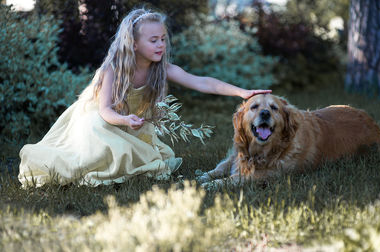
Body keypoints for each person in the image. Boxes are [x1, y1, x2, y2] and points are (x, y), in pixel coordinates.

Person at [18, 8, 272, 187]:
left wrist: (241, 92)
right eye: (153, 40)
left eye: (162, 39)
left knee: (142, 156)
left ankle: (121, 156)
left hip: (131, 122)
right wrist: (124, 120)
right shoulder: (113, 70)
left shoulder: (161, 69)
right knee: (97, 128)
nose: (161, 45)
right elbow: (104, 110)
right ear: (134, 43)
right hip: (99, 120)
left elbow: (202, 82)